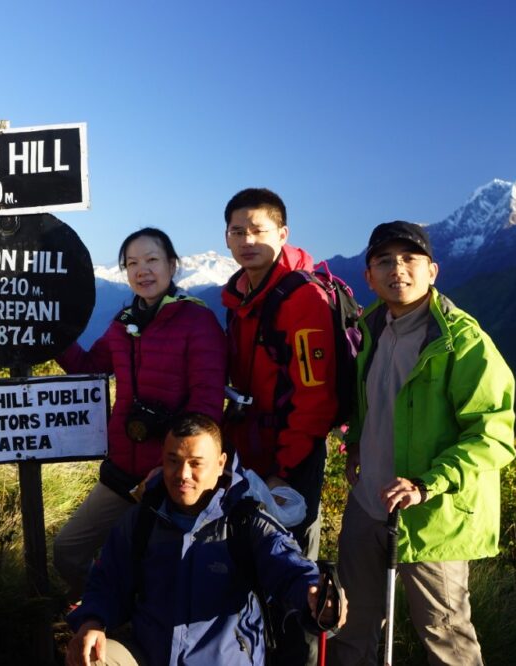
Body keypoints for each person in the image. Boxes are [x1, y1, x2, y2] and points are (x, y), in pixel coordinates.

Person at [329, 221, 515, 665]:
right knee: (350, 628)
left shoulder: (462, 341)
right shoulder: (367, 329)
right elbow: (370, 401)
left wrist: (427, 484)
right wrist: (357, 443)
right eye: (384, 261)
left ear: (432, 271)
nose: (398, 269)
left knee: (446, 637)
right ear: (369, 276)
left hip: (434, 517)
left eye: (410, 258)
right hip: (367, 504)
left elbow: (493, 434)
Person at [66, 412, 342, 666]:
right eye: (173, 461)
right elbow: (107, 581)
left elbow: (290, 568)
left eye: (196, 464)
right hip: (149, 657)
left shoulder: (245, 524)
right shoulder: (143, 520)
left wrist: (318, 599)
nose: (182, 474)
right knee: (91, 657)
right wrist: (92, 621)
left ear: (221, 464)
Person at [54, 227, 226, 602]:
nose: (142, 270)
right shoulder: (123, 323)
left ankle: (132, 624)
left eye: (151, 260)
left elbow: (207, 404)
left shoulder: (197, 321)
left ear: (172, 265)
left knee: (155, 574)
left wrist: (172, 467)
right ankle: (107, 613)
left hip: (172, 481)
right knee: (68, 550)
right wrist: (54, 333)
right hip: (121, 472)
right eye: (132, 263)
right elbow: (91, 366)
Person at [220, 188, 337, 663]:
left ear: (283, 234)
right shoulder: (241, 296)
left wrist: (284, 472)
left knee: (296, 576)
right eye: (237, 231)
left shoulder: (301, 297)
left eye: (258, 230)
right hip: (250, 451)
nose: (247, 240)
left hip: (291, 459)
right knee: (251, 562)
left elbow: (315, 397)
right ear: (226, 237)